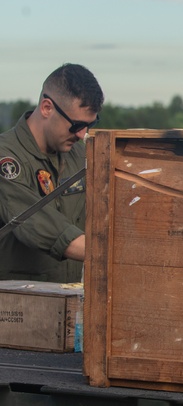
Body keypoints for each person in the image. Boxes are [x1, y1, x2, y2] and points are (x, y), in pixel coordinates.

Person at [0, 64, 104, 283]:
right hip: (17, 305)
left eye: (90, 125)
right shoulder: (6, 158)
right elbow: (33, 222)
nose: (82, 134)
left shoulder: (81, 155)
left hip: (71, 301)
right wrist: (110, 253)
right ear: (47, 108)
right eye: (76, 125)